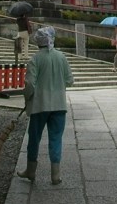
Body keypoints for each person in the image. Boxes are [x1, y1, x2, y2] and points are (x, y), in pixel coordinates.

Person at [17, 26, 74, 186]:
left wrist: (27, 98)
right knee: (56, 139)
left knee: (34, 138)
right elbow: (70, 80)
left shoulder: (35, 59)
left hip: (39, 105)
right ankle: (55, 175)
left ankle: (31, 170)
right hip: (59, 105)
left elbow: (29, 84)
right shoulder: (61, 57)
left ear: (38, 42)